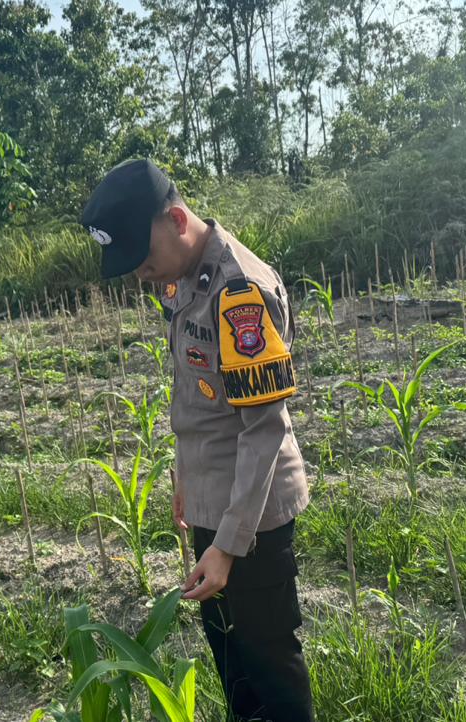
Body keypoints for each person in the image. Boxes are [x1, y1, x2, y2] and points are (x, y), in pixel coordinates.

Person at [81, 159, 314, 722]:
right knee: (234, 664)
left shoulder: (240, 290)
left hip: (251, 517)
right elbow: (197, 395)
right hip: (214, 504)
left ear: (177, 219)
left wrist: (228, 545)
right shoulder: (185, 277)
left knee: (271, 671)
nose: (139, 271)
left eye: (143, 255)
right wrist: (186, 479)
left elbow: (264, 428)